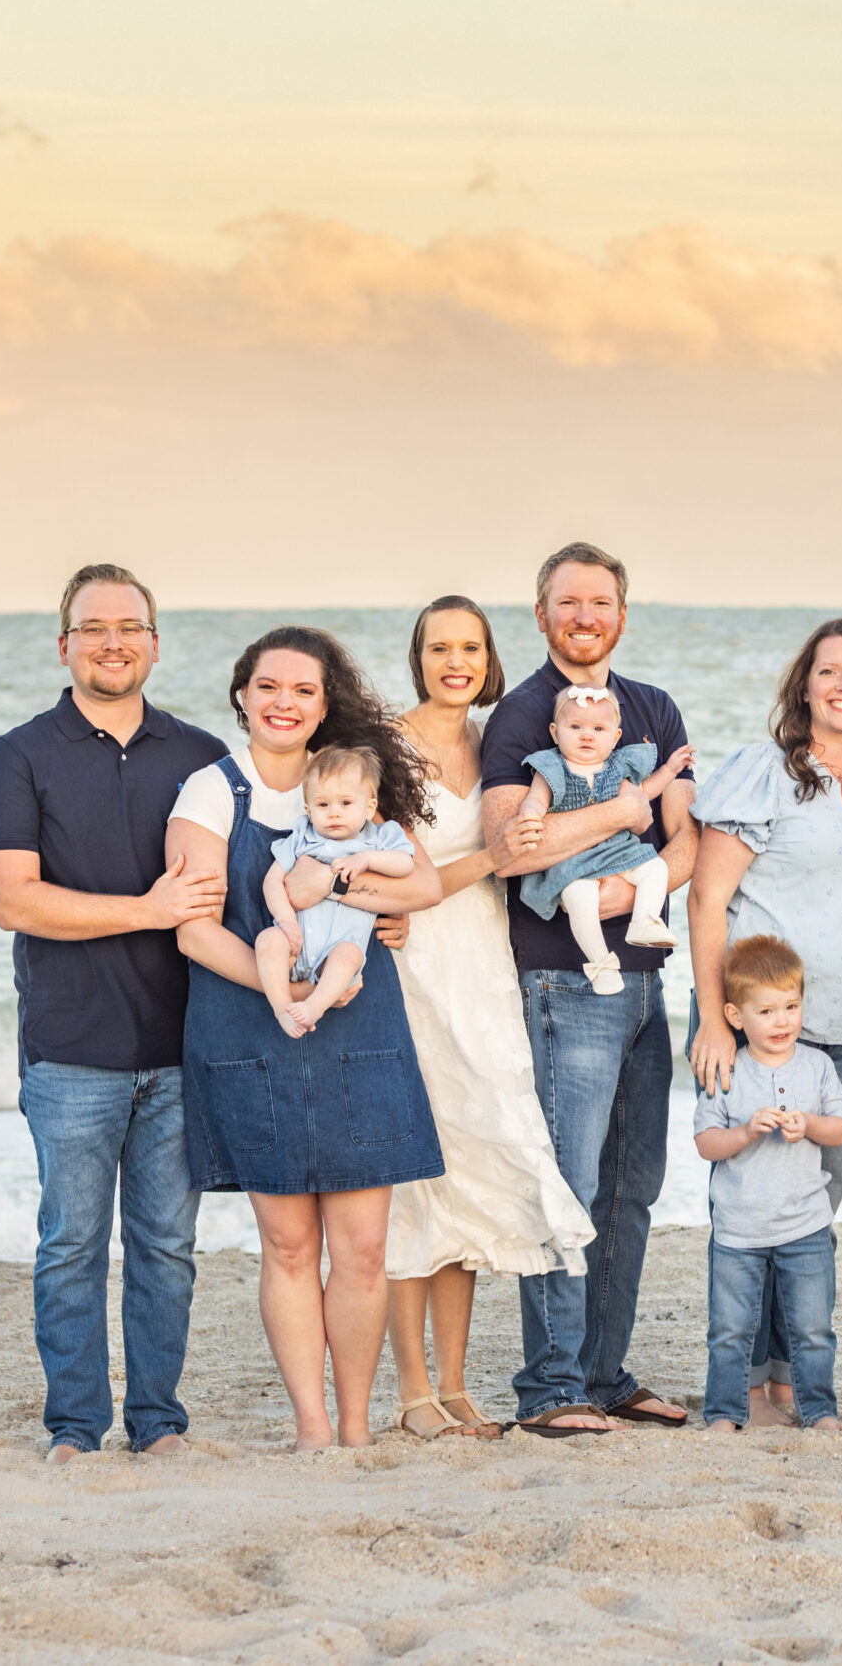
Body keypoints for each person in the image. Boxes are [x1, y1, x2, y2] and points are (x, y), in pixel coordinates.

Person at [0, 564, 229, 1464]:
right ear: (64, 644)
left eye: (129, 626)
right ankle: (75, 1428)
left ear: (155, 643)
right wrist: (149, 909)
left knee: (167, 1247)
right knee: (72, 1245)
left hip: (182, 1045)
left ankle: (158, 1423)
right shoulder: (20, 753)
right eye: (92, 627)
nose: (112, 641)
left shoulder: (201, 755)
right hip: (72, 1048)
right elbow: (15, 899)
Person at [168, 627, 447, 1451]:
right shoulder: (212, 791)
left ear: (326, 704)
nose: (284, 702)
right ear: (242, 695)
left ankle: (358, 1426)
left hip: (360, 1024)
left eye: (302, 690)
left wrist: (345, 884)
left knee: (361, 1249)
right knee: (290, 1244)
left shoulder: (350, 784)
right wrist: (285, 987)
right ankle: (314, 1429)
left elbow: (424, 883)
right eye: (268, 686)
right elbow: (191, 929)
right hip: (252, 1029)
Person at [480, 542, 697, 1437]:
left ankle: (605, 1374)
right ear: (541, 616)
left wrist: (623, 891)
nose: (584, 616)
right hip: (561, 980)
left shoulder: (652, 707)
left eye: (600, 601)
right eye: (567, 602)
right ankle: (551, 1384)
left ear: (621, 613)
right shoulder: (518, 716)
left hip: (644, 974)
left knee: (631, 1184)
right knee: (567, 1180)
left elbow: (685, 840)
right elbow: (507, 847)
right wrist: (615, 821)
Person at [379, 597, 594, 1444]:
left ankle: (459, 1385)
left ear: (489, 656)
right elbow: (359, 860)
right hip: (409, 969)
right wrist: (482, 864)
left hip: (484, 970)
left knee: (469, 1172)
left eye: (470, 646)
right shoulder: (384, 746)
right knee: (410, 1184)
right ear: (418, 656)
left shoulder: (497, 744)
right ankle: (411, 1390)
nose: (455, 660)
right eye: (439, 647)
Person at [690, 618, 842, 1428]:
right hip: (756, 1020)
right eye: (829, 671)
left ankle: (786, 1377)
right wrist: (715, 1018)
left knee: (813, 1205)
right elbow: (708, 897)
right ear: (805, 685)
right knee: (751, 1199)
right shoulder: (765, 773)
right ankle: (747, 1382)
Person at [695, 937, 842, 1435]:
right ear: (735, 1016)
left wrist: (807, 1123)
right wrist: (744, 1131)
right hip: (738, 1230)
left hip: (805, 1225)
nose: (782, 1020)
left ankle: (817, 1410)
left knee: (812, 1330)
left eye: (791, 1006)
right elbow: (705, 1142)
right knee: (730, 1331)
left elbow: (841, 1128)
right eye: (766, 1010)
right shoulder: (727, 1068)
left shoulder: (817, 1066)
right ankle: (724, 1413)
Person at [512, 685, 693, 992]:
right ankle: (601, 964)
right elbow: (536, 800)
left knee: (656, 868)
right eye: (575, 727)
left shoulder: (617, 768)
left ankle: (644, 920)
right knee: (580, 898)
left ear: (615, 737)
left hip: (618, 853)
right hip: (575, 861)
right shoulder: (552, 767)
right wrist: (529, 814)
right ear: (555, 733)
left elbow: (644, 794)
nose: (587, 735)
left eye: (598, 728)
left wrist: (671, 769)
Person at [252, 745, 416, 1036]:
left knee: (349, 955)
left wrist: (367, 859)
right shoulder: (302, 837)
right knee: (267, 940)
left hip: (337, 948)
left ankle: (315, 1005)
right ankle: (281, 1008)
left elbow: (405, 864)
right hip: (295, 944)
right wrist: (286, 921)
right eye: (323, 805)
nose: (334, 814)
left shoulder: (378, 839)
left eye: (345, 803)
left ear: (369, 807)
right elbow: (272, 880)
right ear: (308, 810)